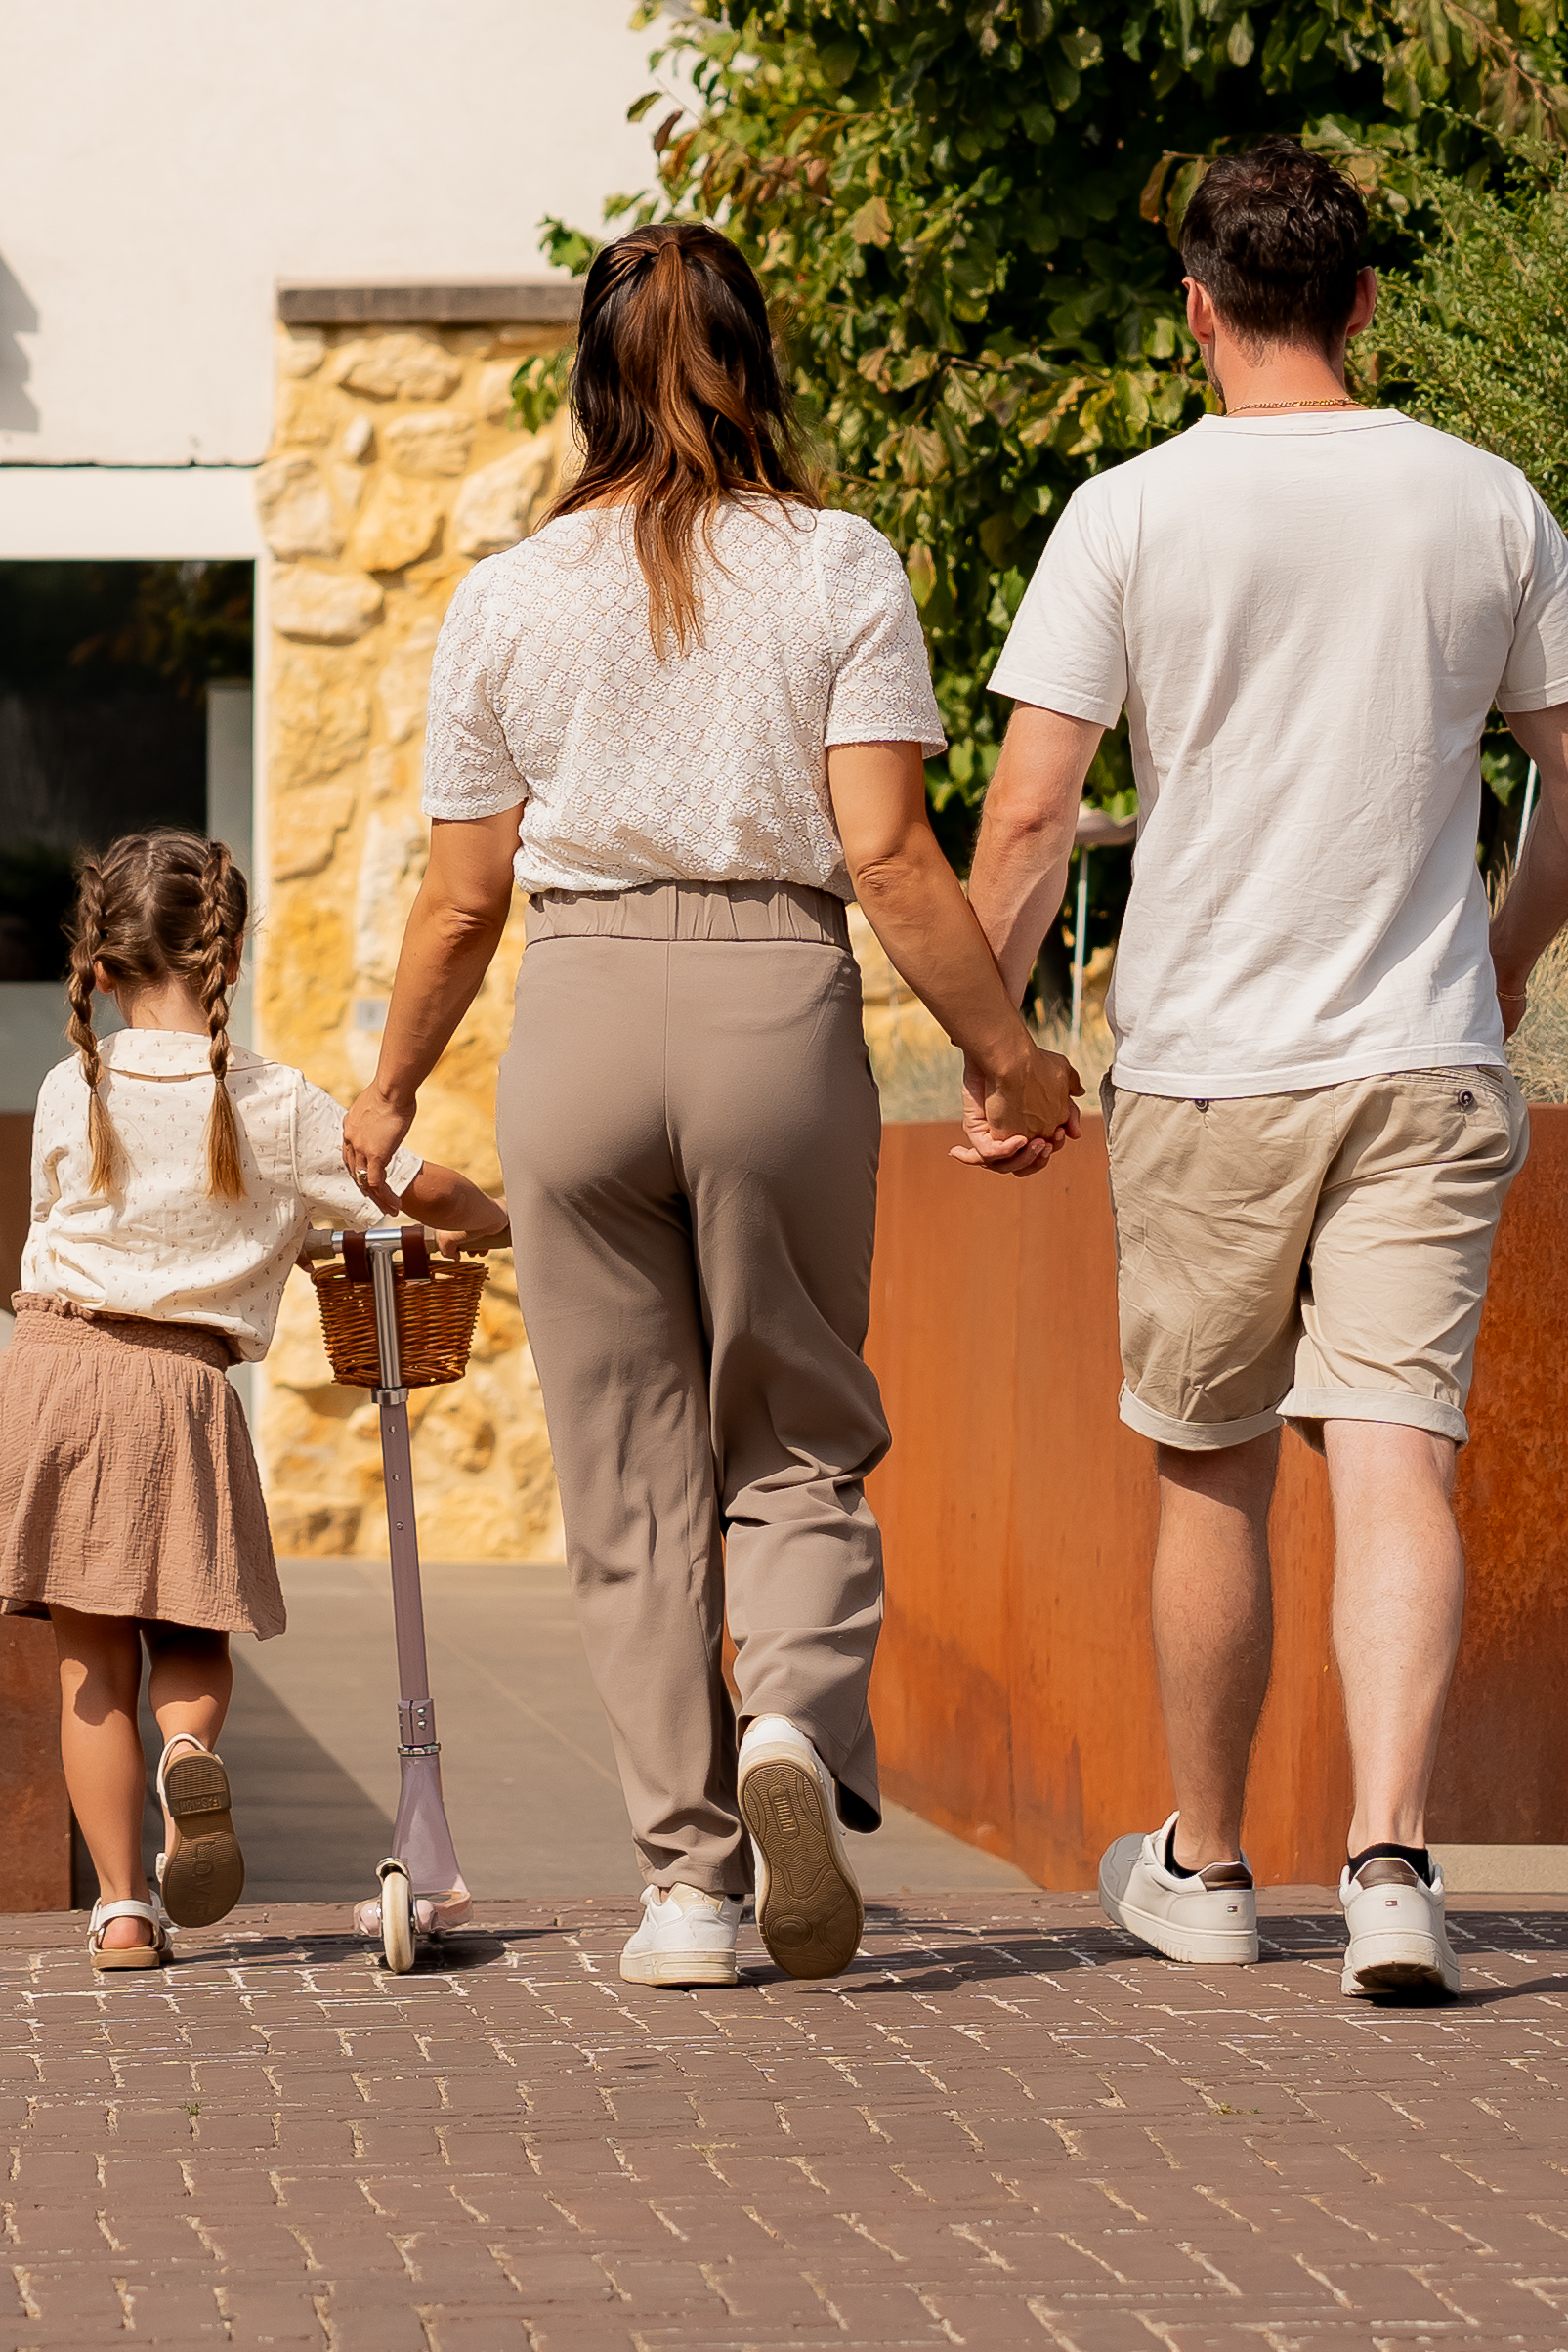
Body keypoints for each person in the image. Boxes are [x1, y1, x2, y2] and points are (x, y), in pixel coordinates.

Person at [352, 219, 1077, 1993]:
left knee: (625, 1475)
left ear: (588, 374)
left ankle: (683, 1888)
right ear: (756, 359)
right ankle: (794, 1725)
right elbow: (890, 861)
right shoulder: (840, 566)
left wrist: (385, 1089)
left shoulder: (507, 593)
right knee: (797, 1423)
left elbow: (461, 894)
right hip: (775, 1008)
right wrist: (1011, 1054)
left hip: (578, 1022)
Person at [960, 139, 1568, 2006]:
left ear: (1198, 311)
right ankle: (1396, 1863)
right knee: (1399, 1450)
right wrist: (1490, 967)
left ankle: (1208, 1863)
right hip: (1423, 1048)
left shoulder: (1127, 510)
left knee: (1213, 1469)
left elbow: (1024, 814)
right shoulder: (1483, 499)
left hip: (1208, 1066)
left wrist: (996, 1051)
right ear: (1359, 302)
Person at [0, 829, 510, 1971]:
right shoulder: (280, 1104)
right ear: (232, 958)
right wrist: (494, 1220)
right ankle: (186, 1759)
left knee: (89, 1661)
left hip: (51, 1370)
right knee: (189, 1635)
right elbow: (410, 1191)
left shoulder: (73, 1085)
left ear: (100, 968)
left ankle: (119, 1910)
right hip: (179, 1390)